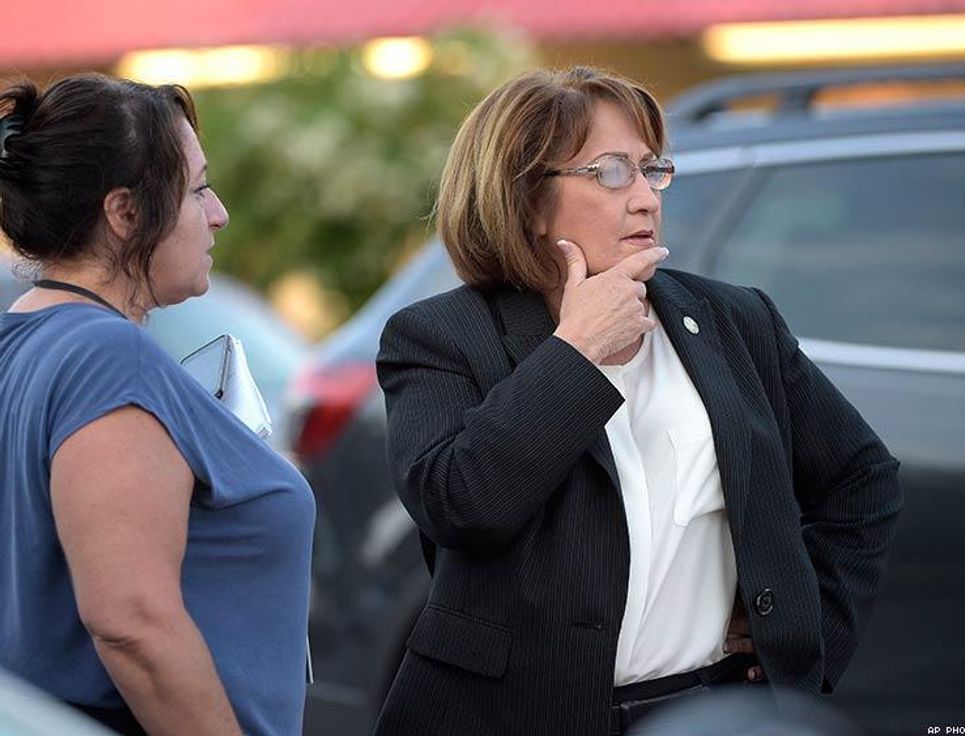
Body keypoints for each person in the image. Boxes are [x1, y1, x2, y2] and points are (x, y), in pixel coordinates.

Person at [374, 66, 903, 736]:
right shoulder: (439, 336)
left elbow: (863, 479)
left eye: (653, 170)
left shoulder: (734, 320)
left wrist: (801, 626)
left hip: (707, 712)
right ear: (527, 202)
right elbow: (460, 504)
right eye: (611, 172)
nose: (648, 198)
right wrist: (577, 352)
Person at [0, 74, 314, 736]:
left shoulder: (27, 339)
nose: (219, 211)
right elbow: (132, 624)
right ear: (124, 213)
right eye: (198, 189)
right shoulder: (105, 356)